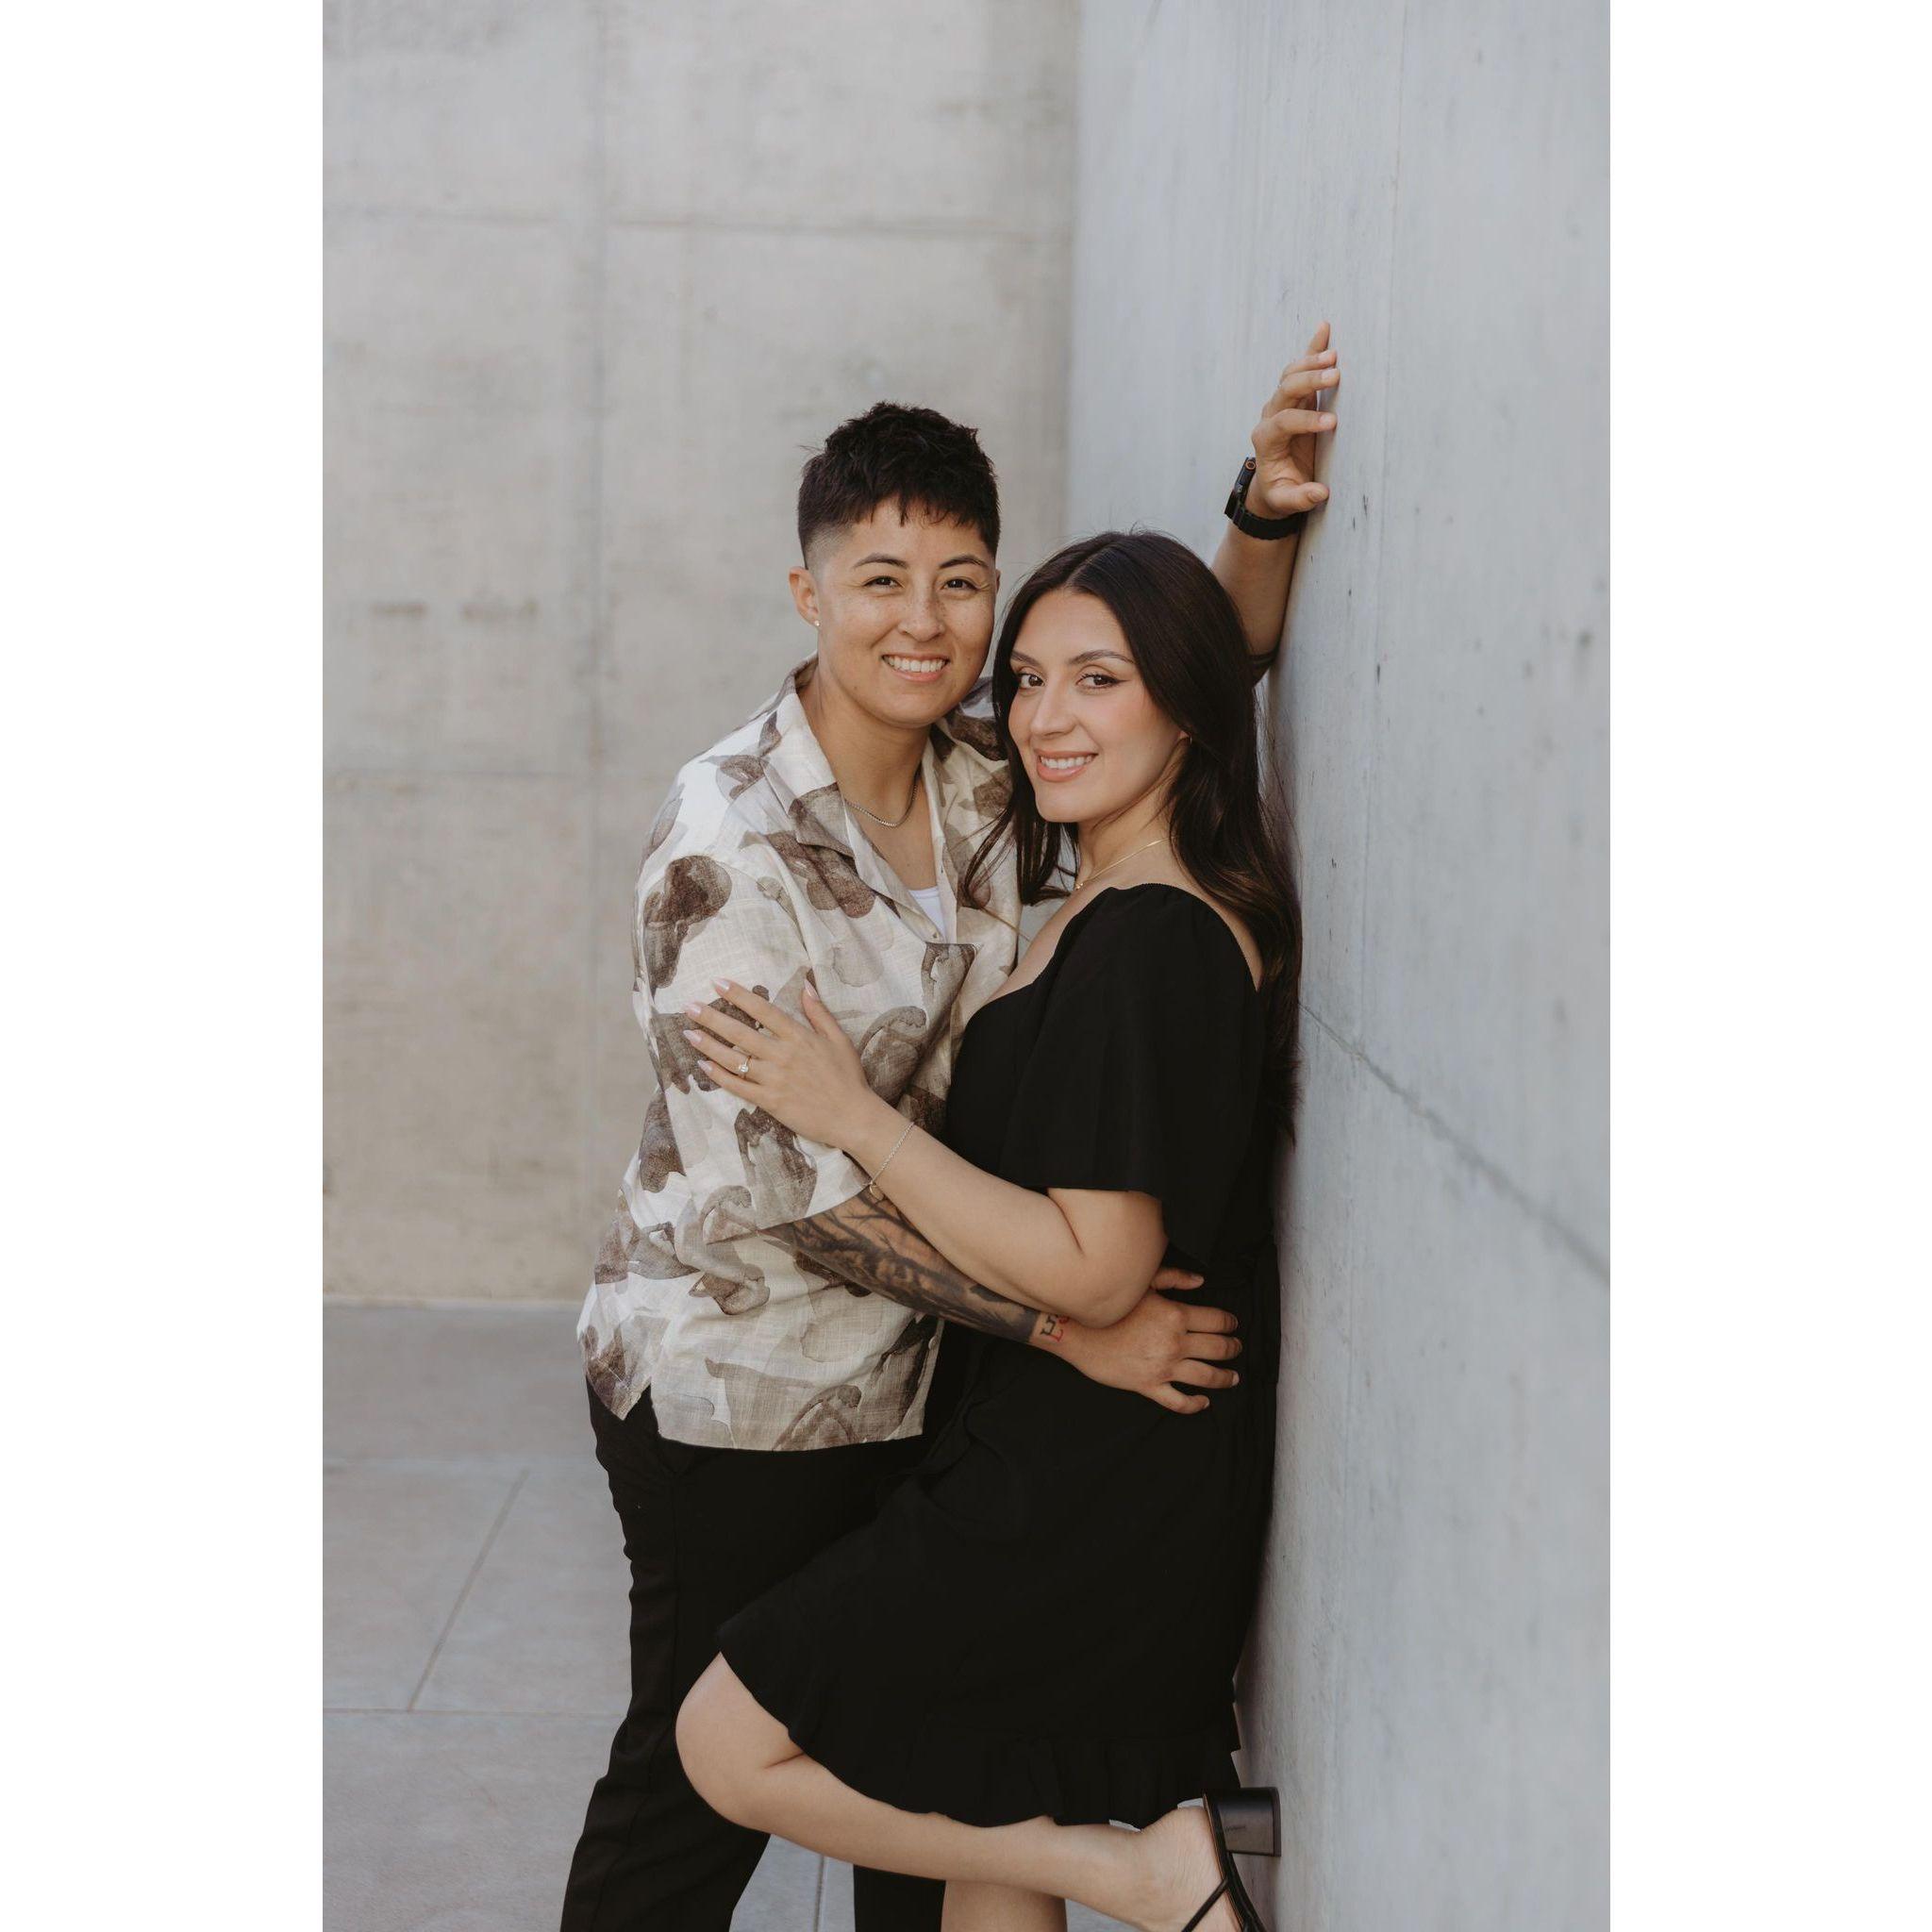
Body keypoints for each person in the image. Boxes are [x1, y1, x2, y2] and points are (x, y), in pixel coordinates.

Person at [562, 337, 1338, 1931]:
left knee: (932, 1802)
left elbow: (1170, 675)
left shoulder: (994, 772)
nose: (924, 622)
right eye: (881, 581)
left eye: (960, 583)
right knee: (691, 1795)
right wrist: (1072, 1325)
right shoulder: (724, 848)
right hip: (752, 1391)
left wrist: (1259, 518)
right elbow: (808, 1208)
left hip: (940, 1383)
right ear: (809, 595)